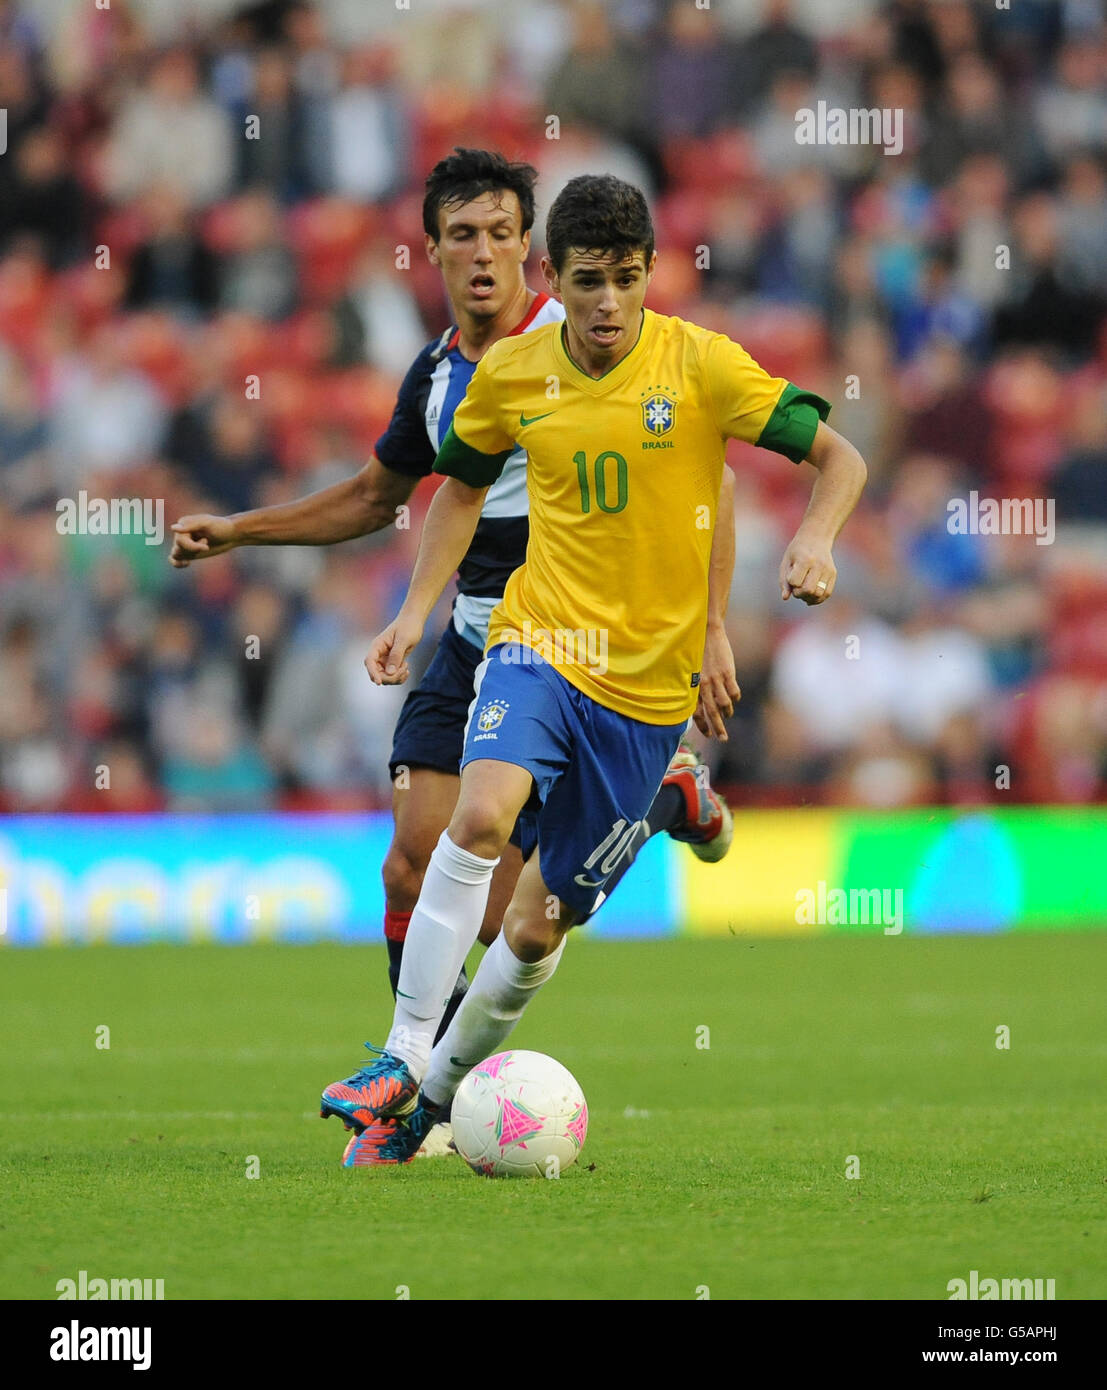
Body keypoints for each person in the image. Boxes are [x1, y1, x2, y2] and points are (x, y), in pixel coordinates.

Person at [168, 150, 738, 1152]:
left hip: (589, 653)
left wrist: (716, 623)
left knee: (518, 909)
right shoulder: (436, 376)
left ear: (534, 248)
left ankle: (651, 799)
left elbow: (709, 476)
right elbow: (377, 498)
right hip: (481, 638)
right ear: (429, 248)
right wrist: (242, 529)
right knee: (409, 865)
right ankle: (409, 1082)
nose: (483, 254)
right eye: (462, 233)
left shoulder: (592, 336)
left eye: (502, 232)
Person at [338, 172, 868, 1166]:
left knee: (535, 932)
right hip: (540, 644)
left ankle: (433, 1097)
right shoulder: (511, 373)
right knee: (480, 815)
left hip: (646, 695)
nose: (609, 303)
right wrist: (415, 612)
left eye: (628, 278)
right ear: (556, 275)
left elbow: (841, 459)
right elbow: (454, 490)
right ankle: (405, 1058)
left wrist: (817, 542)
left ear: (650, 271)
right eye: (589, 281)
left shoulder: (701, 365)